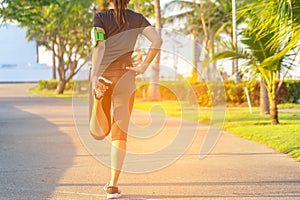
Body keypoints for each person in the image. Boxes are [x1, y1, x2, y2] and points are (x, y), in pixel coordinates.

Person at [89, 0, 162, 199]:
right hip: (126, 77)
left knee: (98, 130)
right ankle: (112, 186)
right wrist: (143, 67)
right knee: (119, 133)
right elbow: (157, 41)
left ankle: (98, 97)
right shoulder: (137, 18)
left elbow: (99, 45)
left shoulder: (101, 17)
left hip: (104, 75)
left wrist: (94, 76)